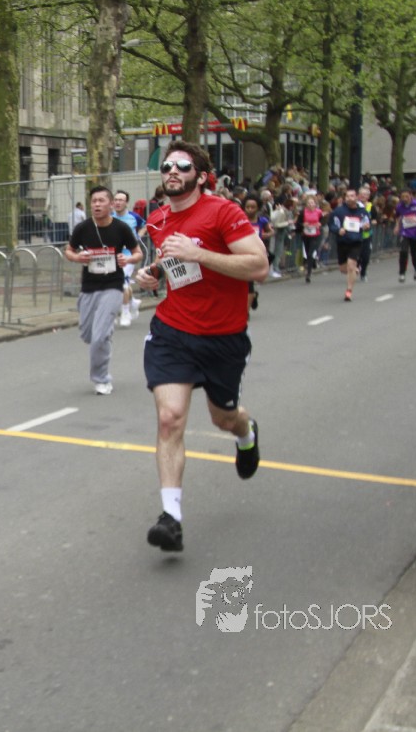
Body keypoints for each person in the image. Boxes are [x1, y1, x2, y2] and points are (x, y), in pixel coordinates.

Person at [133, 140, 268, 553]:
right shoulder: (157, 219)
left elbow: (259, 266)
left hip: (223, 336)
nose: (172, 171)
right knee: (170, 418)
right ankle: (170, 518)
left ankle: (246, 433)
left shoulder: (223, 212)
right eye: (167, 166)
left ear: (202, 176)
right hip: (173, 331)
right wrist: (153, 274)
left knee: (224, 418)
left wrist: (200, 253)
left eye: (182, 166)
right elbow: (175, 265)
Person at [63, 186, 143, 395]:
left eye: (101, 201)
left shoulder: (121, 228)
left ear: (111, 204)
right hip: (89, 287)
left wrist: (127, 259)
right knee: (88, 334)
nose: (97, 205)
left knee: (99, 338)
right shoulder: (83, 228)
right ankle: (103, 333)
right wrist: (77, 257)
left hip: (113, 286)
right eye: (94, 201)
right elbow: (69, 251)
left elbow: (138, 253)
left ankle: (102, 379)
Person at [112, 190, 145, 327]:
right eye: (116, 200)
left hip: (129, 255)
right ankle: (132, 302)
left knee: (122, 283)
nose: (118, 202)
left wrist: (138, 236)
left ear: (126, 203)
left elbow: (145, 225)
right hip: (112, 256)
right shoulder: (109, 217)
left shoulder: (133, 217)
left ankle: (125, 312)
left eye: (121, 200)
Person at [330, 188, 370, 302]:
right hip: (342, 242)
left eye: (352, 196)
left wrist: (366, 226)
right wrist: (338, 230)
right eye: (347, 196)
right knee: (343, 269)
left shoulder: (362, 211)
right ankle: (354, 270)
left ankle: (349, 291)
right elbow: (332, 225)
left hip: (356, 242)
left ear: (356, 197)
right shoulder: (338, 211)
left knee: (351, 266)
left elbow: (367, 223)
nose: (349, 198)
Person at [243, 198, 271, 312]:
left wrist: (266, 235)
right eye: (247, 207)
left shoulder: (262, 221)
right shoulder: (241, 219)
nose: (250, 209)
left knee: (249, 281)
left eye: (253, 207)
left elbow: (270, 231)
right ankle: (253, 296)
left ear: (258, 208)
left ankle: (246, 312)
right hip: (242, 253)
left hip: (256, 254)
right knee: (243, 282)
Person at [296, 193, 325, 283]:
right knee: (307, 251)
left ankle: (308, 273)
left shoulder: (318, 212)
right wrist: (303, 224)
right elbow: (298, 223)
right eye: (309, 203)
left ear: (315, 203)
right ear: (306, 204)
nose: (310, 204)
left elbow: (323, 220)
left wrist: (320, 224)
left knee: (310, 253)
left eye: (312, 203)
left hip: (315, 235)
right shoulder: (303, 212)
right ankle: (309, 267)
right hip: (306, 235)